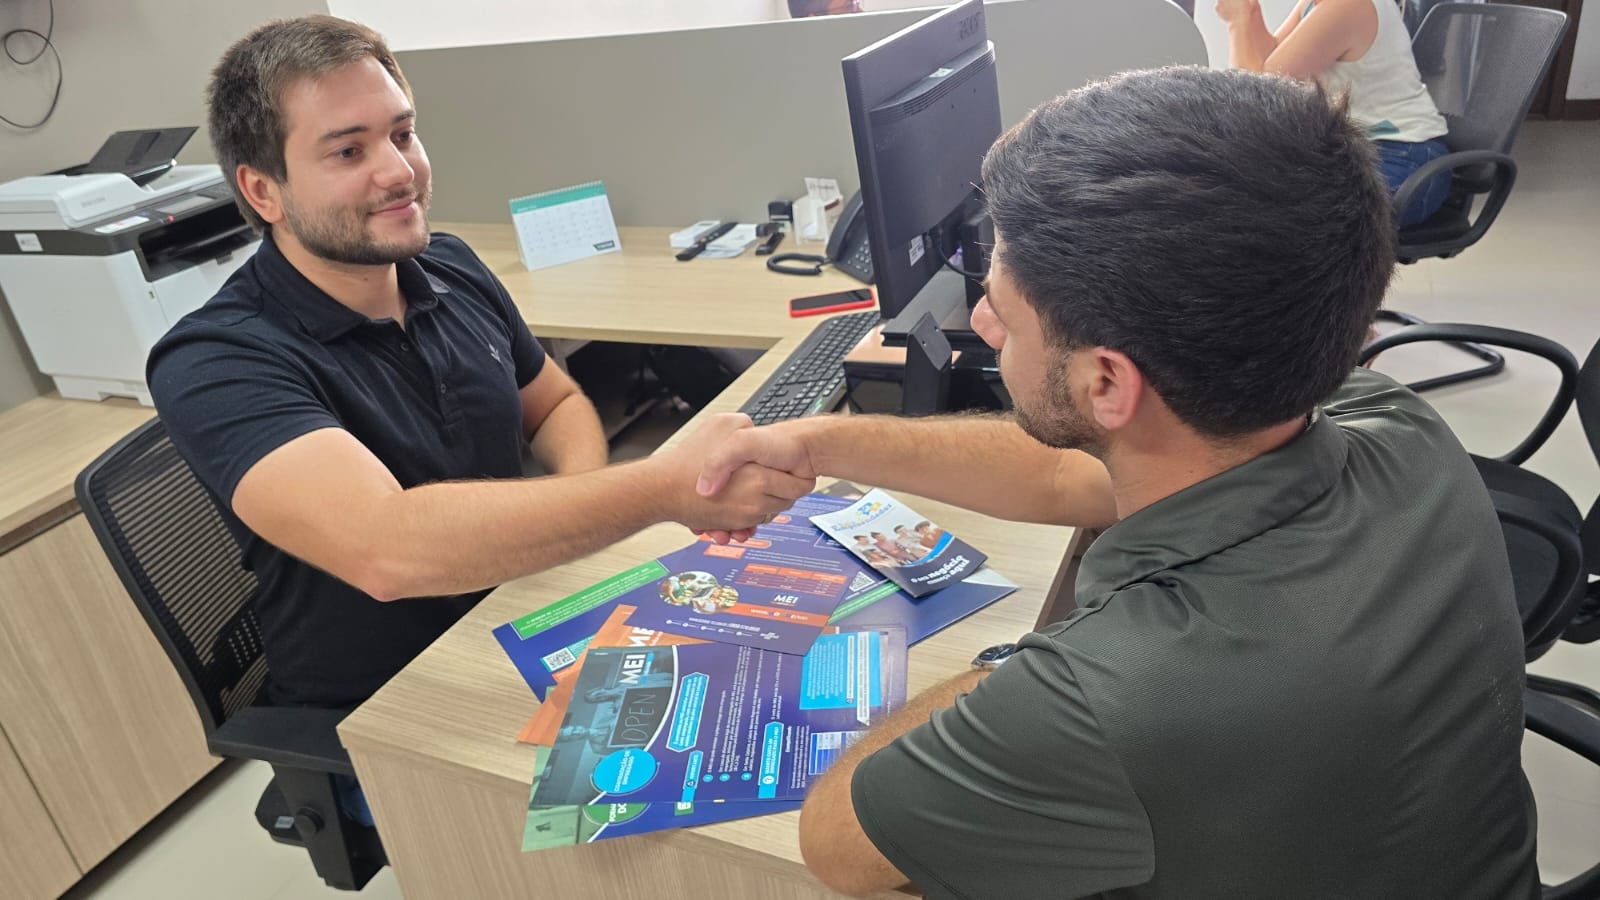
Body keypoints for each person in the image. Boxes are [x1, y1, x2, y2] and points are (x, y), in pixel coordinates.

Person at [697, 67, 1535, 898]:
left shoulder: (1114, 698)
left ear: (1106, 382)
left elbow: (837, 842)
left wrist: (1015, 674)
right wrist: (819, 441)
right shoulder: (1392, 420)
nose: (982, 322)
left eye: (1001, 308)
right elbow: (1065, 475)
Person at [149, 16, 810, 822]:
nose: (400, 172)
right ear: (263, 191)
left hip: (526, 615)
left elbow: (558, 404)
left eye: (403, 134)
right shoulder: (217, 361)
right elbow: (388, 550)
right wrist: (659, 489)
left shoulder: (449, 266)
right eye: (349, 151)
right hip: (392, 709)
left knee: (790, 703)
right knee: (728, 820)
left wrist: (583, 537)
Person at [1215, 0, 1452, 227]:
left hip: (1407, 161)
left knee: (1271, 214)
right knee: (1246, 190)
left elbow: (1255, 93)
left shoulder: (1348, 5)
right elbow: (1275, 56)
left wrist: (1238, 22)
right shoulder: (1315, 4)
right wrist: (1252, 16)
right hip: (1357, 151)